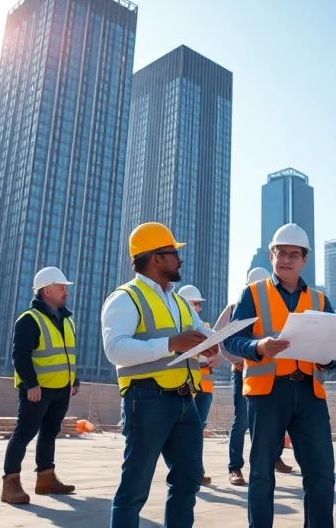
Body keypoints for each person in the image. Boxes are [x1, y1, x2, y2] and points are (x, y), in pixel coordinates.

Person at [102, 222, 218, 528]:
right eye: (173, 253)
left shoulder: (179, 301)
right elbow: (115, 349)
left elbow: (203, 332)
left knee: (188, 481)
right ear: (155, 258)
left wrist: (212, 344)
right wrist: (171, 344)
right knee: (135, 488)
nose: (179, 260)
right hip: (146, 399)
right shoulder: (126, 297)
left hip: (185, 401)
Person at [223, 223, 336, 528]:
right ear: (272, 255)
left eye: (293, 254)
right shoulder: (252, 294)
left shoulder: (321, 300)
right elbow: (231, 340)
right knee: (261, 472)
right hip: (267, 392)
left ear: (304, 260)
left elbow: (333, 352)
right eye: (280, 253)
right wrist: (258, 345)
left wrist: (329, 359)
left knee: (322, 472)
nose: (286, 259)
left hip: (310, 395)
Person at [1, 266, 80, 505]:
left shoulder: (67, 320)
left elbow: (67, 354)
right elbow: (20, 355)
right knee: (24, 433)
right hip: (37, 390)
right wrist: (31, 384)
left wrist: (73, 379)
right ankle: (10, 483)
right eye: (61, 287)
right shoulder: (29, 319)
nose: (66, 291)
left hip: (61, 389)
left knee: (50, 433)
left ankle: (46, 478)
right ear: (46, 290)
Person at [215, 267, 294, 487]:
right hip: (243, 373)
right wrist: (235, 360)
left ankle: (276, 458)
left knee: (276, 421)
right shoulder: (235, 308)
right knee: (241, 422)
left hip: (271, 373)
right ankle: (235, 468)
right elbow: (220, 338)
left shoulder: (275, 303)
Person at [177, 283, 224, 485]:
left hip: (204, 389)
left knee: (197, 430)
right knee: (186, 431)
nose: (200, 308)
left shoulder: (203, 329)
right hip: (187, 388)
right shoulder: (177, 331)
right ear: (186, 305)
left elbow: (218, 349)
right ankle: (188, 470)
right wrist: (203, 358)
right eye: (196, 304)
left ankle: (196, 470)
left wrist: (218, 356)